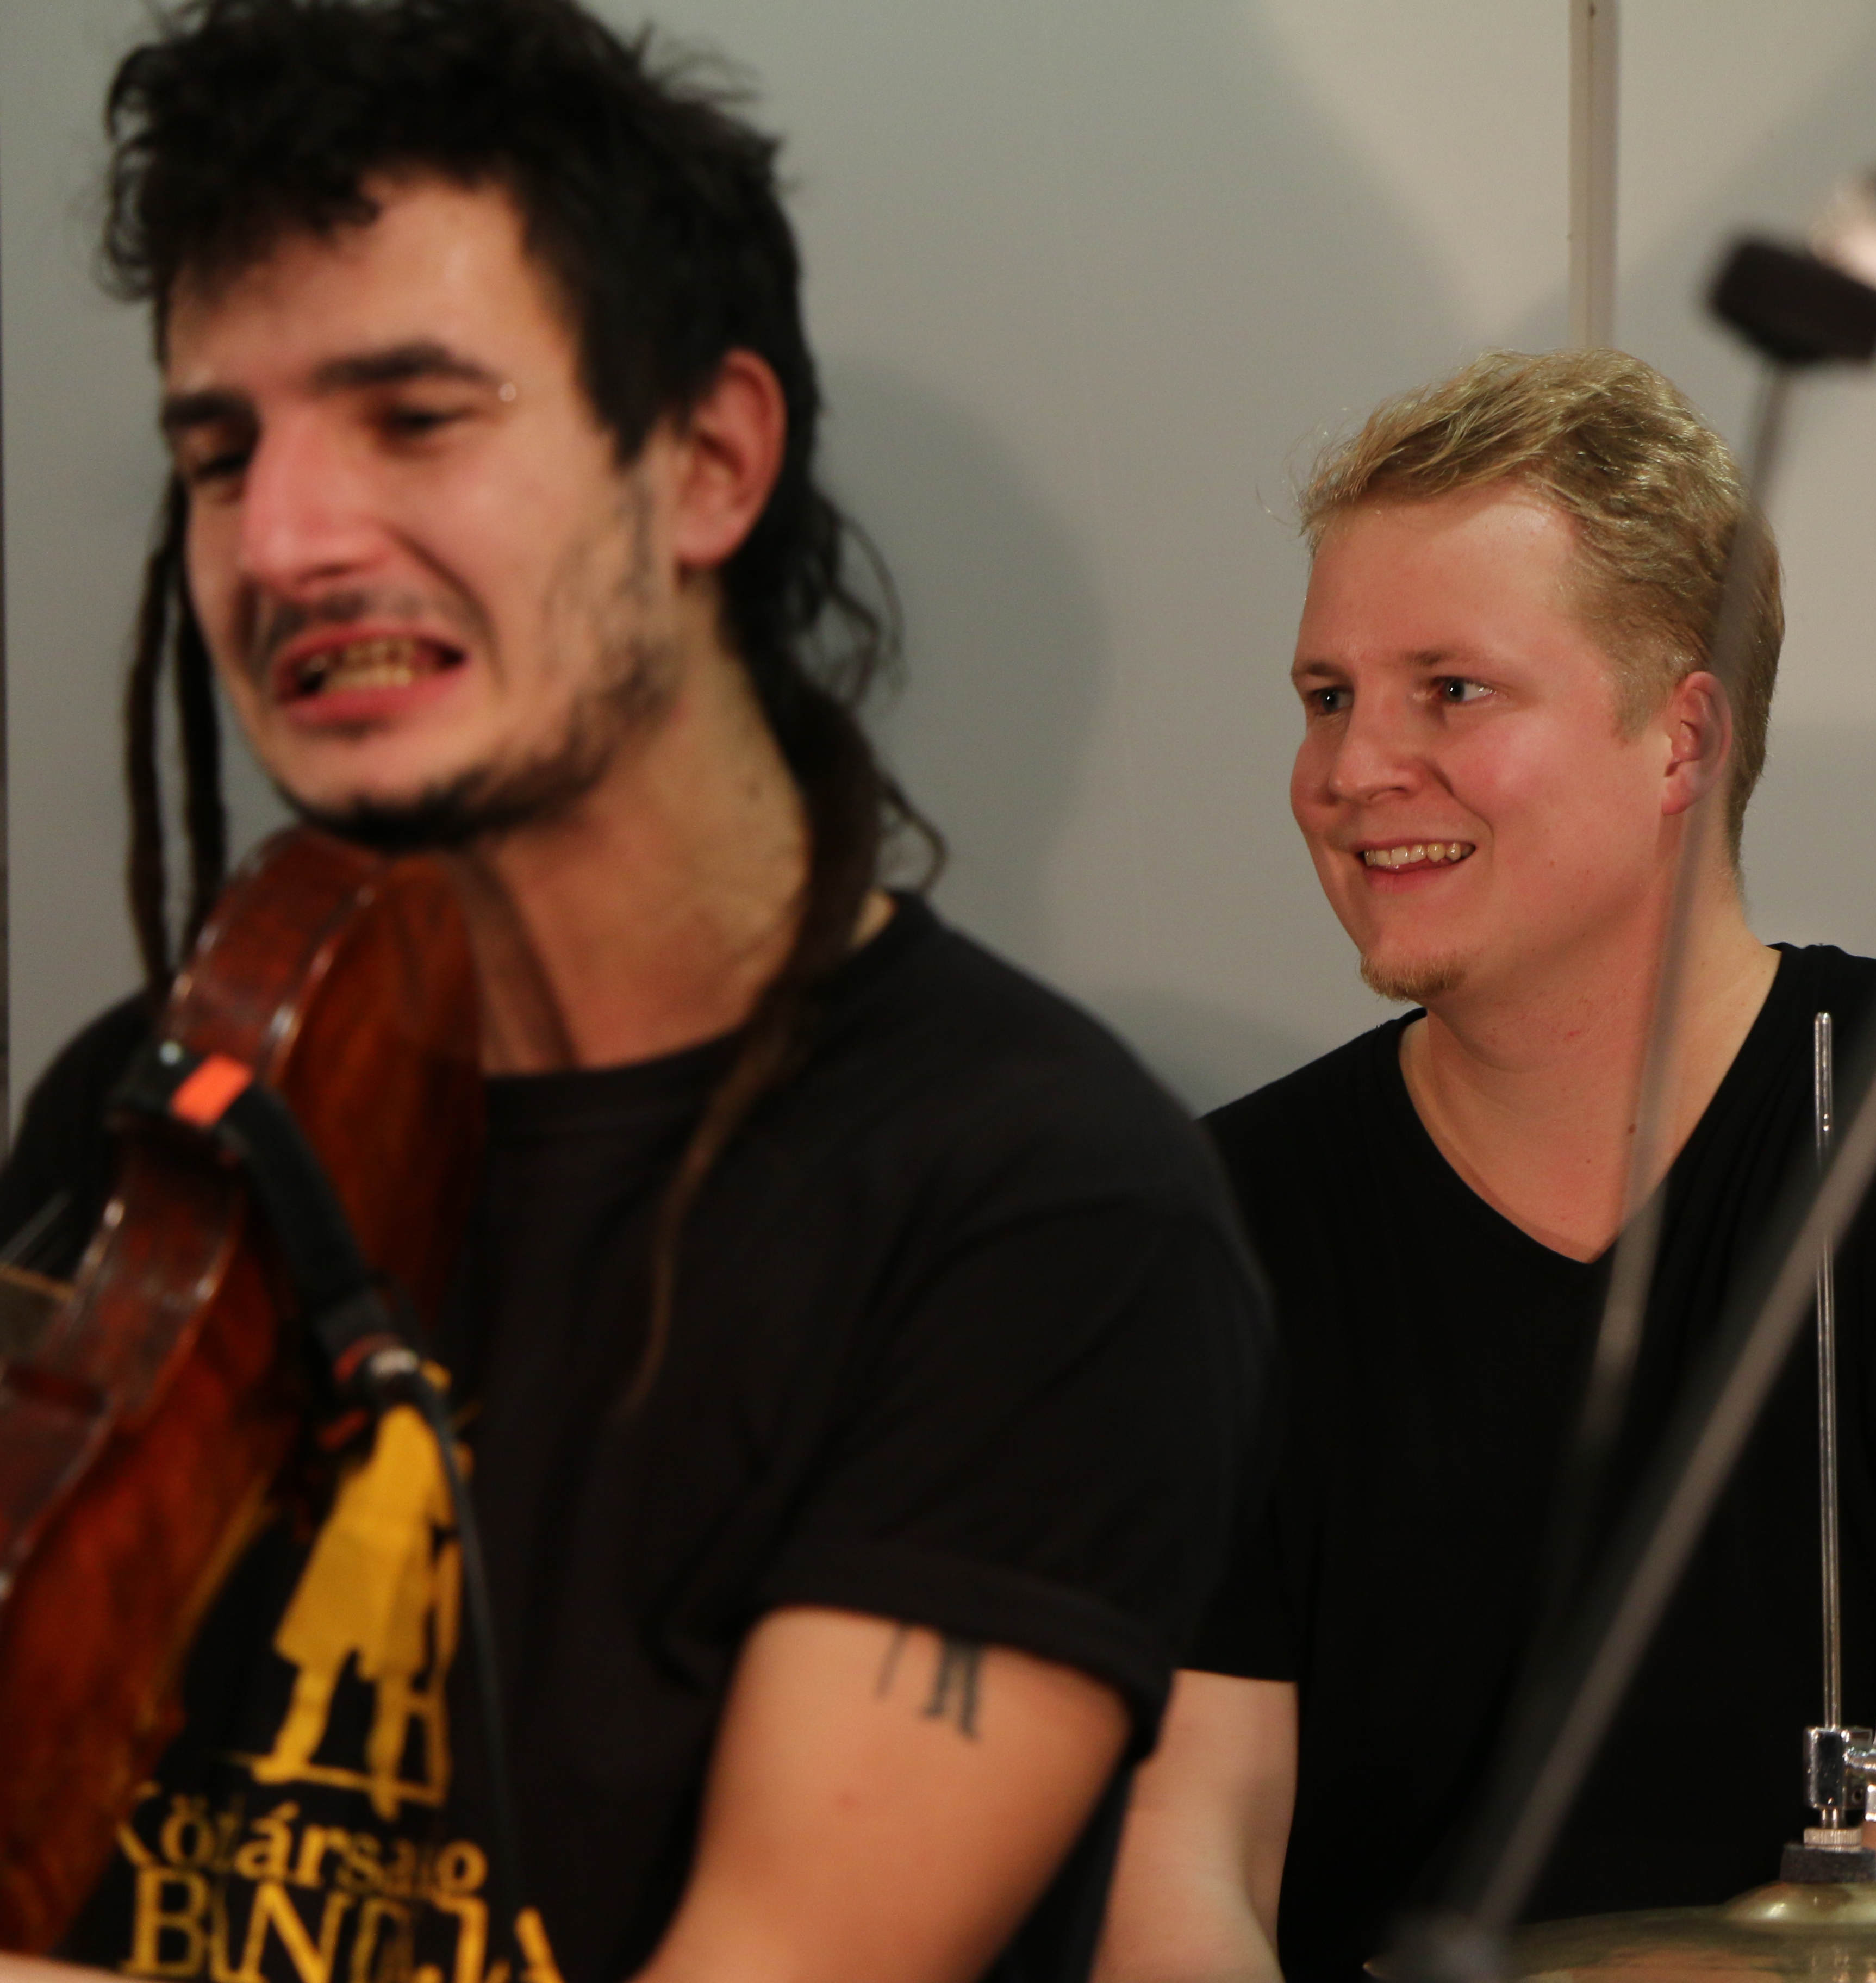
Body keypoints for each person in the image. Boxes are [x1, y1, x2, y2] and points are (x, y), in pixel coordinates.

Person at [0, 4, 1266, 1982]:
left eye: (416, 418)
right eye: (221, 453)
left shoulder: (1039, 1206)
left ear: (707, 463)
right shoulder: (160, 1101)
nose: (285, 540)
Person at [1094, 349, 1876, 1983]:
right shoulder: (1226, 1221)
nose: (1350, 772)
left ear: (1682, 737)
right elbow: (1187, 1838)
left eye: (1449, 691)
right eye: (1328, 697)